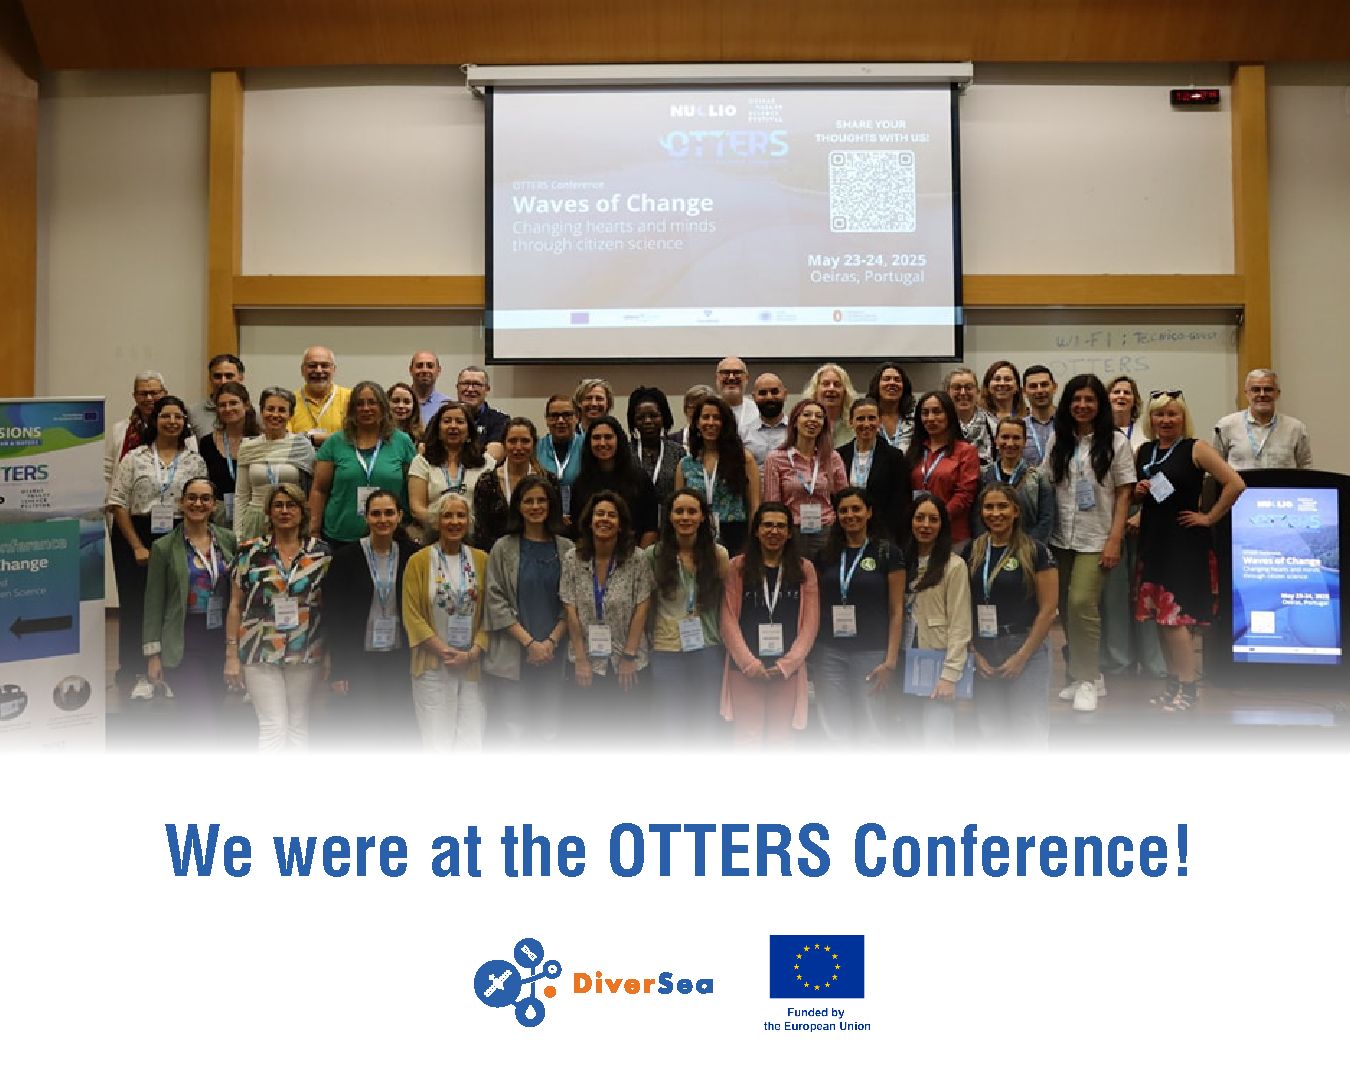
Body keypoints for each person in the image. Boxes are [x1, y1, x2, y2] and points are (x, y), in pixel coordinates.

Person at [1135, 390, 1246, 711]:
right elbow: (1143, 496)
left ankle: (1189, 688)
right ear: (1150, 418)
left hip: (1184, 545)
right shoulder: (1144, 451)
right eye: (1159, 414)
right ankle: (1172, 686)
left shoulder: (1196, 448)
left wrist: (1209, 517)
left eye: (1172, 414)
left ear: (1183, 418)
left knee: (1176, 619)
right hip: (1154, 543)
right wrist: (1141, 493)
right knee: (1159, 619)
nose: (1166, 420)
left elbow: (1235, 483)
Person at [107, 395, 209, 702]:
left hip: (178, 534)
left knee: (172, 607)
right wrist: (138, 546)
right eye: (166, 416)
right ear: (155, 420)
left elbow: (199, 503)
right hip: (135, 536)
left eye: (179, 416)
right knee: (137, 606)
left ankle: (170, 671)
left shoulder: (194, 461)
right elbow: (118, 503)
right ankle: (137, 672)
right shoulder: (134, 457)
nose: (172, 421)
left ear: (185, 423)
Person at [1044, 373, 1136, 712]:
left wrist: (1115, 539)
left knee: (1083, 603)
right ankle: (1085, 674)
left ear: (1100, 405)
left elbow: (1125, 493)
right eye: (1076, 400)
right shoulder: (1059, 440)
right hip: (1060, 537)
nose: (1082, 405)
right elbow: (1045, 482)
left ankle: (1087, 679)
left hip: (1096, 537)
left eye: (1090, 399)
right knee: (1066, 608)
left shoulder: (1116, 443)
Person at [224, 483, 331, 751]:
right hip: (259, 649)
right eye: (278, 505)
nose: (284, 511)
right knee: (273, 727)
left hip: (306, 648)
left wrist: (329, 653)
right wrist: (231, 655)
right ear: (269, 512)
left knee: (298, 725)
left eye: (291, 505)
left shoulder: (321, 553)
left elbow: (328, 607)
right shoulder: (248, 552)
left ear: (302, 512)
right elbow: (236, 605)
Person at [141, 477, 238, 744]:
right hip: (183, 641)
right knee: (200, 719)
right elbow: (153, 603)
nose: (198, 503)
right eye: (192, 498)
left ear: (214, 505)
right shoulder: (163, 548)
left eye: (205, 498)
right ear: (181, 503)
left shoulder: (229, 541)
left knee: (213, 716)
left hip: (219, 640)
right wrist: (153, 656)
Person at [322, 489, 419, 747]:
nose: (382, 519)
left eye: (389, 513)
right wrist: (338, 667)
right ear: (366, 517)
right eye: (375, 513)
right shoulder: (346, 558)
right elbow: (334, 614)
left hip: (400, 656)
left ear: (400, 516)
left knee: (398, 725)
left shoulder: (413, 555)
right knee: (366, 726)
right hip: (359, 658)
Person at [718, 501, 819, 747]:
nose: (774, 532)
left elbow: (810, 623)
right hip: (745, 669)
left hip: (785, 672)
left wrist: (788, 664)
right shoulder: (737, 566)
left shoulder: (804, 569)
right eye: (767, 525)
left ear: (789, 532)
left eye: (780, 526)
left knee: (780, 740)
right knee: (747, 738)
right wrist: (749, 664)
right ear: (756, 530)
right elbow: (727, 619)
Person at [483, 475, 573, 745]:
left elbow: (572, 602)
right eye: (529, 501)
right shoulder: (502, 548)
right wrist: (530, 644)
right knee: (514, 731)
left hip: (553, 655)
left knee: (549, 731)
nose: (536, 506)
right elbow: (495, 600)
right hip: (514, 653)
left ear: (551, 505)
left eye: (542, 500)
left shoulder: (567, 549)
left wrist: (549, 644)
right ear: (519, 507)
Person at [967, 484, 1059, 746]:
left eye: (1002, 506)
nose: (995, 513)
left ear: (1016, 511)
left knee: (1028, 731)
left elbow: (1048, 610)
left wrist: (1022, 657)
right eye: (989, 507)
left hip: (1025, 646)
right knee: (990, 731)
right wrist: (974, 652)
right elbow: (963, 608)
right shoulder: (972, 551)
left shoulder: (1036, 551)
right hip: (984, 651)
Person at [560, 491, 655, 741]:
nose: (605, 519)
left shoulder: (637, 559)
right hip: (586, 661)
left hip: (629, 662)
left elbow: (642, 606)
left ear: (621, 524)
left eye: (611, 515)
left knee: (627, 736)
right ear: (589, 521)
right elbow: (570, 609)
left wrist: (629, 655)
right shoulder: (572, 559)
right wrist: (580, 659)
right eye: (599, 514)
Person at [812, 487, 904, 743]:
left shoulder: (888, 553)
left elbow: (897, 611)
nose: (850, 515)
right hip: (829, 652)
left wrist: (891, 661)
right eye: (843, 510)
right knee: (834, 728)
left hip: (872, 653)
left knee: (871, 726)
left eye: (856, 509)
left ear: (869, 512)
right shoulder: (825, 556)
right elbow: (816, 604)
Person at [401, 492, 490, 751]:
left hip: (472, 665)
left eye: (460, 515)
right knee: (437, 744)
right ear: (436, 522)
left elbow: (491, 613)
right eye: (447, 515)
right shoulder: (418, 561)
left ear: (469, 521)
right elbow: (412, 614)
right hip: (432, 665)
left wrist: (473, 653)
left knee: (471, 741)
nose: (454, 522)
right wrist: (444, 651)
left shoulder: (482, 560)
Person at [643, 489, 729, 743]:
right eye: (679, 511)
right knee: (672, 725)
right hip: (666, 648)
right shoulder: (653, 555)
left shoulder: (718, 555)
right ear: (669, 517)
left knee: (706, 724)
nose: (685, 517)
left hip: (708, 647)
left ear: (703, 517)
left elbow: (727, 604)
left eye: (692, 511)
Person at [1101, 375, 1165, 678]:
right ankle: (1118, 660)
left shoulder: (1148, 437)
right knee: (1113, 594)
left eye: (1127, 392)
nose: (1121, 396)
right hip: (1107, 517)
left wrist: (1143, 512)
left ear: (1135, 400)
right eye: (1116, 391)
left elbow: (1166, 482)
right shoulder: (1095, 436)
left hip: (1144, 520)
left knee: (1145, 590)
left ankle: (1153, 661)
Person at [309, 380, 417, 549]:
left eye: (372, 403)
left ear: (383, 407)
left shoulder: (402, 442)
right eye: (360, 404)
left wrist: (413, 525)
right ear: (352, 409)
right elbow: (319, 489)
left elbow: (412, 488)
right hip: (341, 535)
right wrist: (313, 530)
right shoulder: (335, 442)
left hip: (391, 534)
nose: (366, 408)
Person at [902, 493, 972, 745]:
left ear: (942, 524)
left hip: (937, 662)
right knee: (909, 738)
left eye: (933, 519)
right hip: (905, 660)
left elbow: (960, 624)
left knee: (937, 739)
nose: (925, 525)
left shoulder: (954, 566)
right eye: (919, 518)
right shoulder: (900, 561)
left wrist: (950, 675)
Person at [762, 399, 848, 558]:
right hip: (791, 531)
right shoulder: (776, 459)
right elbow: (772, 504)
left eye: (819, 416)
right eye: (807, 415)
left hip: (826, 529)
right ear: (794, 422)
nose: (813, 420)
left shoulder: (832, 457)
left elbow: (844, 498)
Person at [676, 394, 760, 555]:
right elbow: (679, 507)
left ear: (725, 423)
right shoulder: (685, 464)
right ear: (697, 423)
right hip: (697, 534)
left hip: (735, 535)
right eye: (705, 417)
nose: (710, 422)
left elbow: (754, 505)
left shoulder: (744, 459)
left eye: (716, 417)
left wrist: (752, 542)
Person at [233, 387, 315, 543]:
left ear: (290, 415)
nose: (275, 415)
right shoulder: (249, 447)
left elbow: (310, 493)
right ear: (262, 412)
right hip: (256, 519)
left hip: (289, 517)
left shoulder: (302, 446)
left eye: (282, 410)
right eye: (270, 409)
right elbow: (241, 495)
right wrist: (238, 535)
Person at [567, 416, 660, 547]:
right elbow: (578, 530)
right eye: (596, 438)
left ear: (619, 440)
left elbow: (650, 526)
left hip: (634, 556)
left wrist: (640, 559)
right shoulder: (580, 482)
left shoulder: (639, 479)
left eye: (608, 437)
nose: (602, 443)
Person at [904, 390, 981, 544]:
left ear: (949, 415)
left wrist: (936, 518)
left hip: (952, 535)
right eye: (925, 413)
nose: (931, 418)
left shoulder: (966, 451)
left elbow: (965, 495)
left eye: (937, 412)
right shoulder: (914, 451)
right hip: (918, 534)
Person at [409, 399, 490, 544]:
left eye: (459, 421)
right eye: (447, 421)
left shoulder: (486, 462)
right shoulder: (422, 461)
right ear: (438, 430)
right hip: (434, 538)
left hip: (476, 539)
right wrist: (447, 524)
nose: (453, 426)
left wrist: (464, 525)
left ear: (469, 430)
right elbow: (417, 507)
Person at [838, 396, 910, 544]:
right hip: (846, 530)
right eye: (860, 419)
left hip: (883, 533)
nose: (866, 424)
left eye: (871, 418)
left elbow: (900, 500)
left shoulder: (894, 456)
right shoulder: (839, 455)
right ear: (851, 422)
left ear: (879, 422)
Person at [473, 417, 552, 552]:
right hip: (497, 557)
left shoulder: (548, 480)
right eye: (512, 441)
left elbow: (553, 525)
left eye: (525, 441)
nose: (518, 447)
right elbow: (482, 532)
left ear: (534, 444)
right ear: (504, 444)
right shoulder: (487, 482)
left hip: (540, 554)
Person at [1212, 368, 1313, 470]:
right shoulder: (1226, 426)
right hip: (1241, 486)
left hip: (1281, 486)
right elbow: (1215, 468)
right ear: (1246, 393)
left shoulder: (1296, 429)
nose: (1262, 394)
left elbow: (1306, 469)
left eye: (1268, 389)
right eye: (1256, 389)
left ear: (1277, 393)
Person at [977, 418, 1055, 544]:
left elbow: (1046, 518)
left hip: (1028, 547)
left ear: (1025, 442)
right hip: (991, 546)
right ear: (996, 440)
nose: (1010, 443)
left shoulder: (1039, 478)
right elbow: (977, 517)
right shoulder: (984, 476)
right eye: (1005, 437)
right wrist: (986, 544)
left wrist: (1029, 546)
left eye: (1016, 438)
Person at [196, 380, 259, 528]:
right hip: (219, 518)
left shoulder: (261, 442)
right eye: (222, 405)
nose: (227, 408)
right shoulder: (207, 443)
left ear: (247, 405)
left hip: (254, 515)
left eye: (233, 403)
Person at [627, 386, 686, 513]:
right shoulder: (625, 452)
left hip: (670, 523)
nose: (648, 421)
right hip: (633, 525)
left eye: (653, 415)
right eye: (641, 417)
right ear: (634, 421)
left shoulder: (678, 452)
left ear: (664, 417)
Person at [105, 369, 167, 487]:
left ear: (164, 394)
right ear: (134, 396)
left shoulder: (179, 429)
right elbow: (108, 472)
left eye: (154, 393)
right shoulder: (118, 430)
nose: (149, 398)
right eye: (143, 394)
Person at [288, 345, 350, 447]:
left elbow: (354, 436)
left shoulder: (350, 398)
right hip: (300, 460)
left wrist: (307, 439)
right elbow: (285, 440)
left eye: (325, 365)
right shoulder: (289, 401)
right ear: (302, 370)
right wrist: (332, 438)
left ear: (334, 369)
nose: (318, 370)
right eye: (312, 365)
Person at [537, 394, 586, 520]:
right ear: (547, 420)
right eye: (554, 416)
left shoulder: (588, 446)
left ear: (577, 418)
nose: (560, 421)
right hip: (545, 519)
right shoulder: (536, 448)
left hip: (581, 518)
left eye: (567, 415)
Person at [944, 367, 996, 465]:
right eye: (957, 388)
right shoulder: (939, 425)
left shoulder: (993, 424)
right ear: (947, 392)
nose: (963, 393)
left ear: (978, 391)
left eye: (968, 387)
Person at [187, 353, 245, 439]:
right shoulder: (193, 412)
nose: (223, 381)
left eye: (229, 376)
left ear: (241, 378)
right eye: (217, 376)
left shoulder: (257, 413)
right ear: (210, 379)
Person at [803, 362, 859, 448]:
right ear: (815, 390)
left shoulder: (854, 425)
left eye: (837, 385)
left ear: (845, 391)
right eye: (826, 384)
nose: (831, 388)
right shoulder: (803, 424)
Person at [456, 365, 508, 457]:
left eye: (477, 384)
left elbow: (494, 456)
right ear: (457, 387)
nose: (470, 389)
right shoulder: (443, 418)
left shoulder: (500, 421)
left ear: (487, 389)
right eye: (465, 383)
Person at [743, 372, 790, 467]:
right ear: (754, 397)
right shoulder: (743, 433)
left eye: (774, 392)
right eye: (763, 393)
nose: (769, 397)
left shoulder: (797, 431)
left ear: (785, 394)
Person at [867, 361, 915, 452]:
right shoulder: (867, 419)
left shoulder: (914, 420)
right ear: (877, 385)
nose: (892, 383)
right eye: (886, 379)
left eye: (897, 380)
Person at [1021, 364, 1058, 467]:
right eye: (1033, 386)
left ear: (1054, 387)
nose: (1040, 390)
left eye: (1044, 385)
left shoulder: (1068, 423)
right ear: (1024, 392)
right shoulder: (1020, 428)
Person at [714, 356, 758, 436]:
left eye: (737, 372)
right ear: (717, 378)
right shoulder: (708, 410)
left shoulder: (758, 411)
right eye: (725, 373)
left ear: (747, 378)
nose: (731, 377)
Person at [409, 350, 449, 427]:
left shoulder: (446, 404)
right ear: (411, 370)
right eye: (419, 366)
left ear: (438, 371)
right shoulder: (399, 403)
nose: (424, 370)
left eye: (430, 366)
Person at [672, 384, 716, 451]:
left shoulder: (725, 443)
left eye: (703, 408)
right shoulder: (669, 442)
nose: (698, 413)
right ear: (685, 410)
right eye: (693, 408)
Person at [387, 381, 424, 448]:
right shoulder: (379, 435)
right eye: (396, 401)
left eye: (406, 402)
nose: (401, 406)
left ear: (414, 406)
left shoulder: (423, 437)